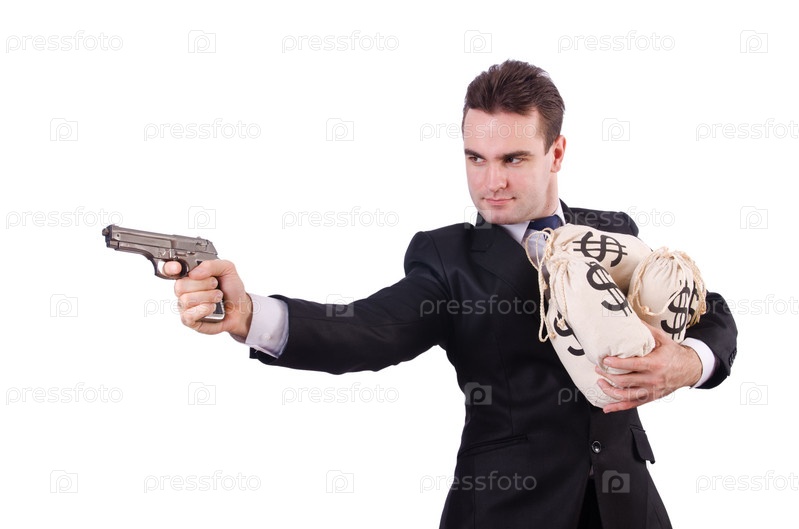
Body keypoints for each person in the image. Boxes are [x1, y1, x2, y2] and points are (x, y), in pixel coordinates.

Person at [166, 60, 737, 529]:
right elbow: (367, 329)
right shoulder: (448, 258)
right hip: (507, 510)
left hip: (627, 506)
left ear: (557, 153)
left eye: (513, 159)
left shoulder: (614, 231)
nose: (491, 182)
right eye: (475, 158)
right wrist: (248, 315)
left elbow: (707, 309)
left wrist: (689, 362)